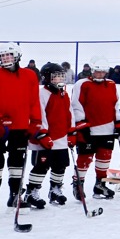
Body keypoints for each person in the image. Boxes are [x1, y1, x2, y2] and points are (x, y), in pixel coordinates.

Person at [22, 63, 74, 208]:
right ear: (47, 78)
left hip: (61, 137)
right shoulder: (42, 93)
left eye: (61, 76)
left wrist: (71, 132)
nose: (59, 79)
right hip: (45, 139)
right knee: (42, 166)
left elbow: (69, 114)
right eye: (56, 77)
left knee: (61, 164)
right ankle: (31, 192)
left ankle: (55, 190)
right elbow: (39, 115)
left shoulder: (64, 93)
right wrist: (42, 134)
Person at [71, 57, 120, 200]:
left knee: (104, 158)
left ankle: (100, 185)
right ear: (92, 71)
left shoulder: (111, 84)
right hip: (89, 129)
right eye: (97, 72)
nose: (100, 74)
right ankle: (78, 184)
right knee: (84, 159)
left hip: (107, 129)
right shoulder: (82, 84)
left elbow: (115, 105)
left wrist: (119, 124)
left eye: (103, 72)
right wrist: (82, 124)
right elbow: (76, 105)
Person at [0, 43, 41, 207]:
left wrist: (36, 122)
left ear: (17, 56)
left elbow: (34, 101)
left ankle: (15, 194)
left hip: (21, 126)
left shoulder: (29, 75)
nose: (5, 59)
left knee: (17, 162)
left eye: (8, 56)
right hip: (0, 126)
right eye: (2, 57)